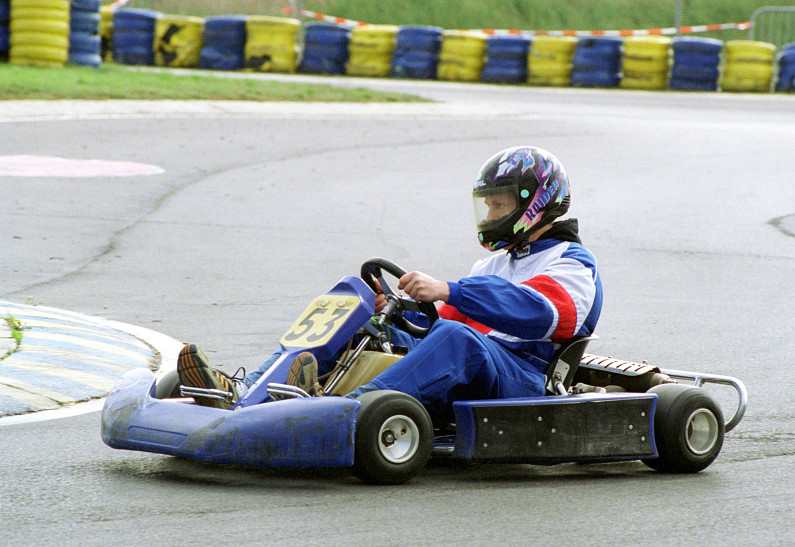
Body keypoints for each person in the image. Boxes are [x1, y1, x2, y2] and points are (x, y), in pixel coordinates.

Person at [177, 146, 602, 418]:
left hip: (523, 380)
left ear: (535, 206)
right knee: (367, 321)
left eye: (500, 205)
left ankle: (341, 411)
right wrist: (394, 312)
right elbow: (438, 325)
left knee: (457, 338)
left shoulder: (572, 264)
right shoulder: (492, 266)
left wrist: (450, 290)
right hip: (478, 362)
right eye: (488, 205)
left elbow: (542, 315)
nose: (491, 215)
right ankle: (251, 389)